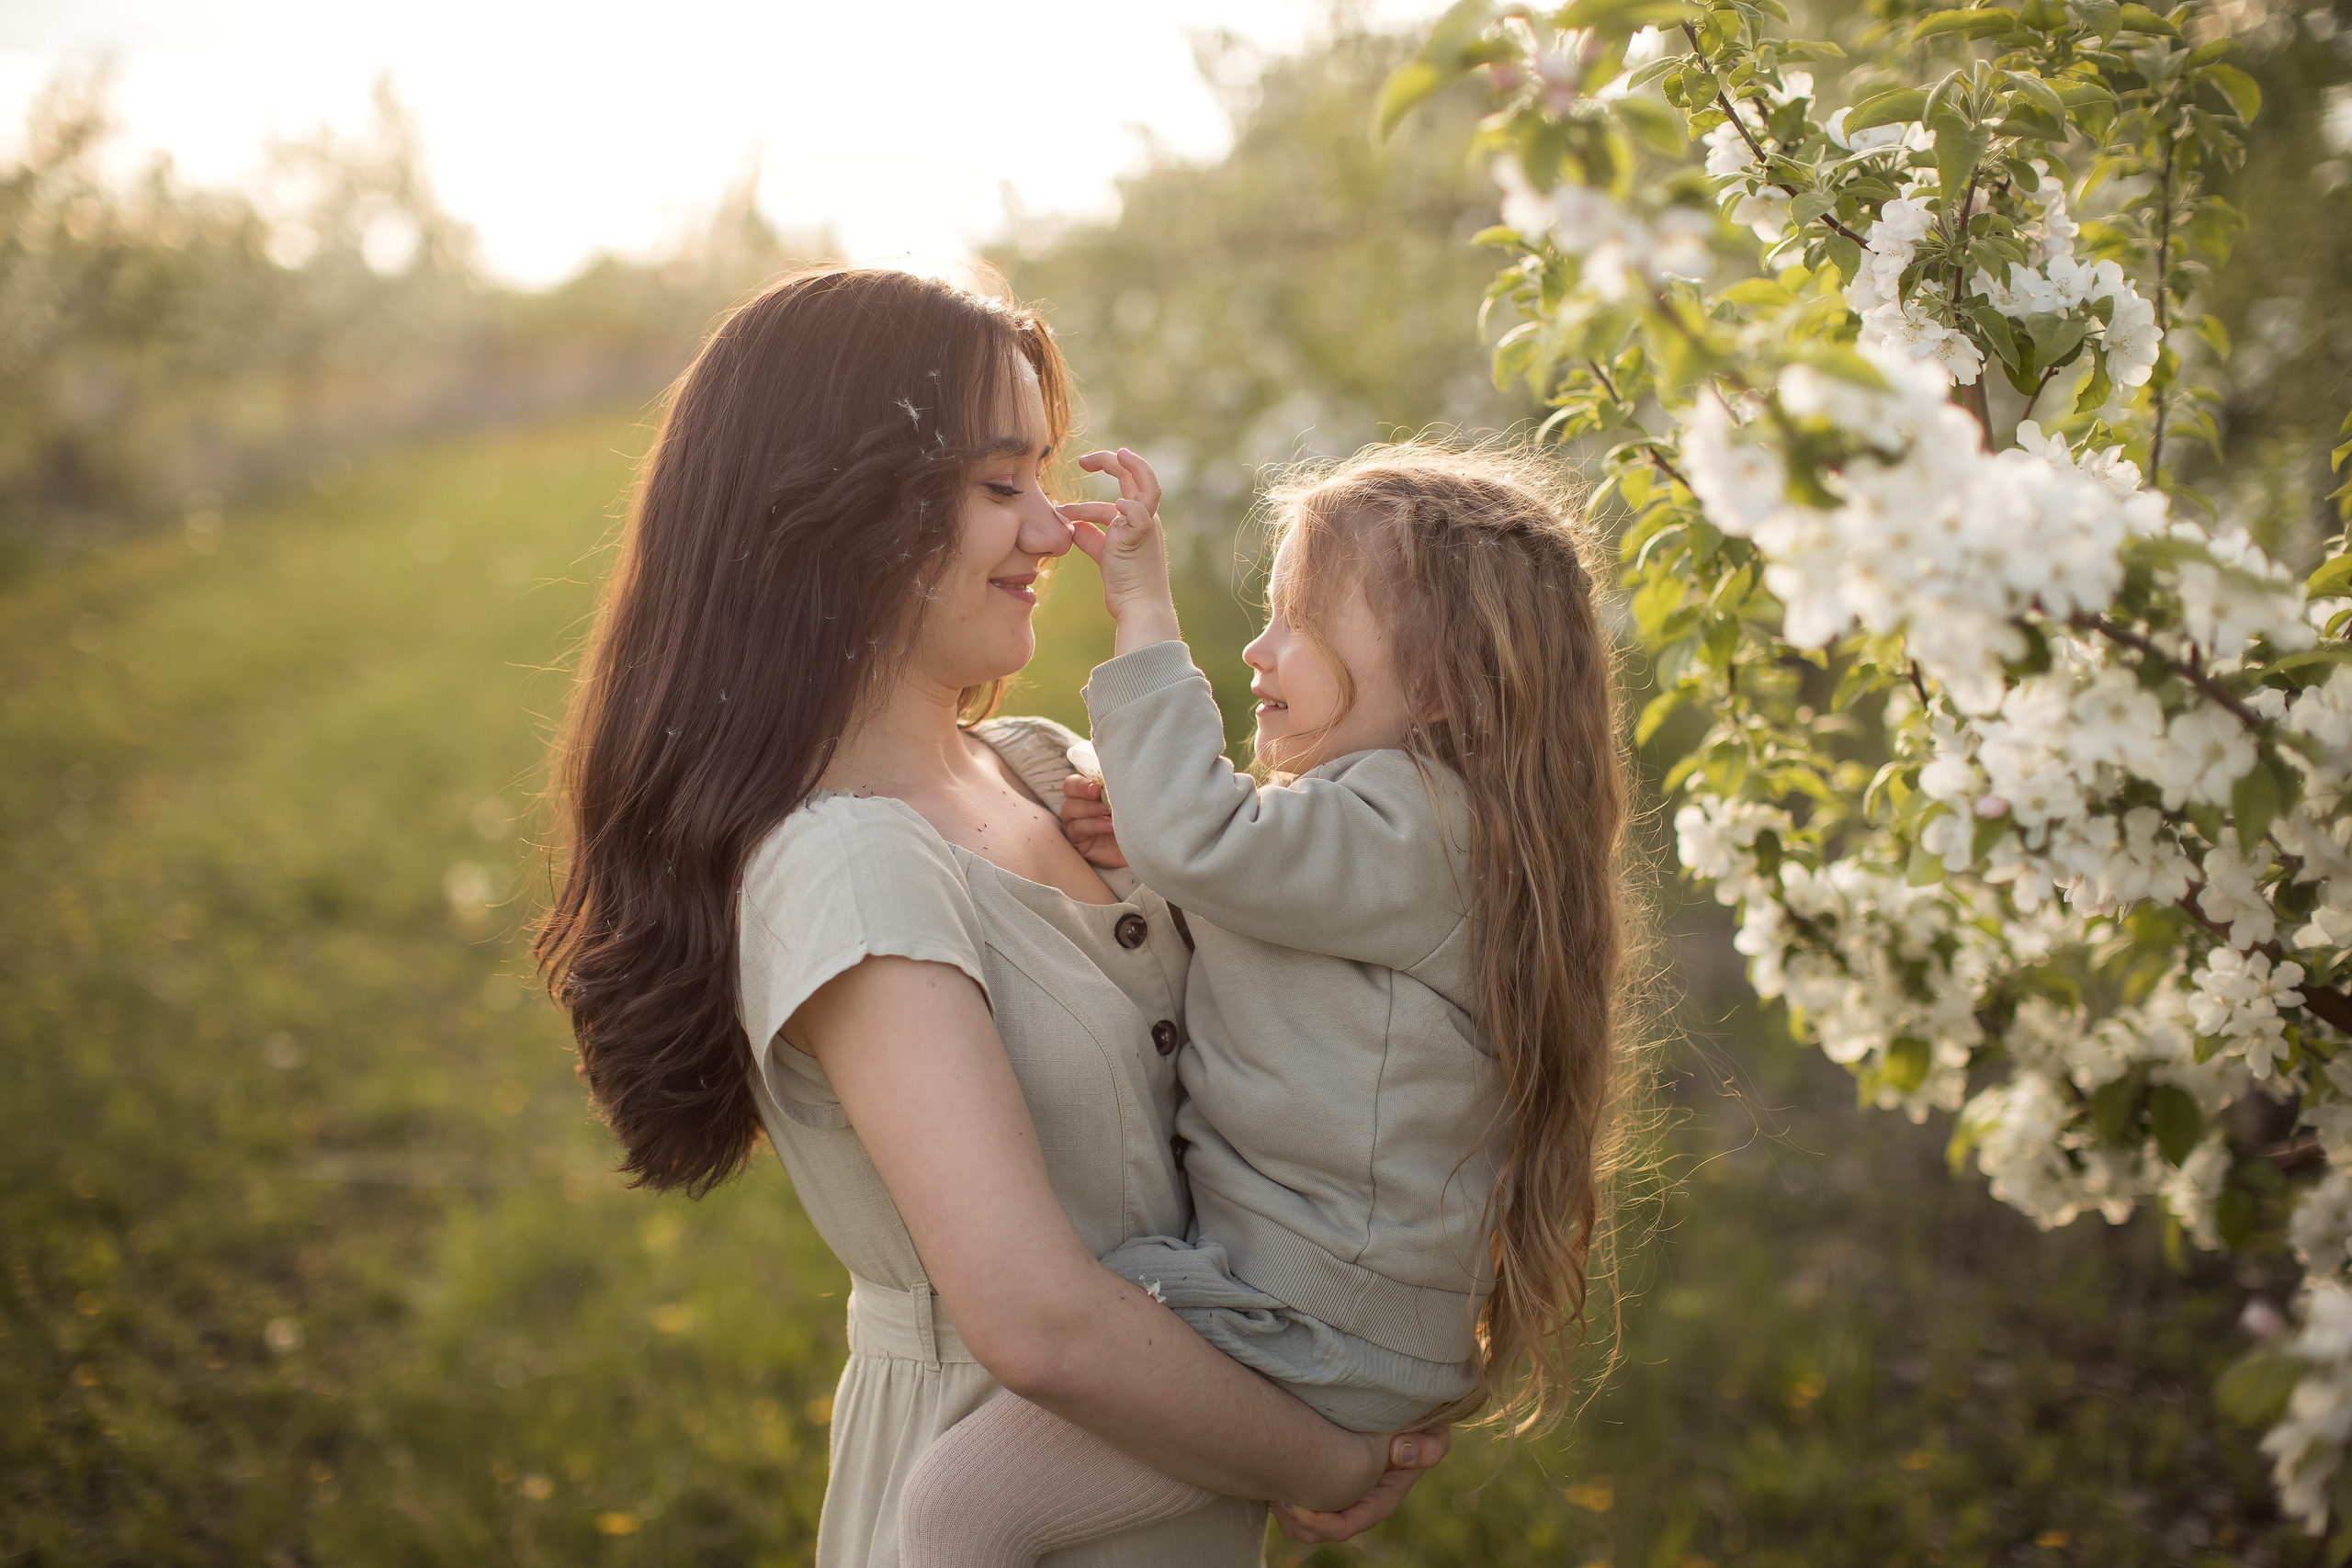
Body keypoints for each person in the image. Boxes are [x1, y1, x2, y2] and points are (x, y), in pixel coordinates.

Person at [532, 265, 1451, 1567]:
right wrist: (1329, 1453)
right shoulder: (854, 862)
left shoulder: (1038, 767)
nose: (1051, 530)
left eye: (1046, 477)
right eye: (999, 484)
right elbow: (1036, 1322)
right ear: (840, 509)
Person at [895, 443, 1637, 1565]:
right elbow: (1275, 951)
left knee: (957, 1510)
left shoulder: (1424, 820)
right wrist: (1159, 862)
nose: (1259, 648)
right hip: (1318, 1312)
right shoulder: (1406, 824)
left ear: (1442, 677)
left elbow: (1206, 835)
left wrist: (1142, 601)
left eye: (1299, 620)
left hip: (1309, 1326)